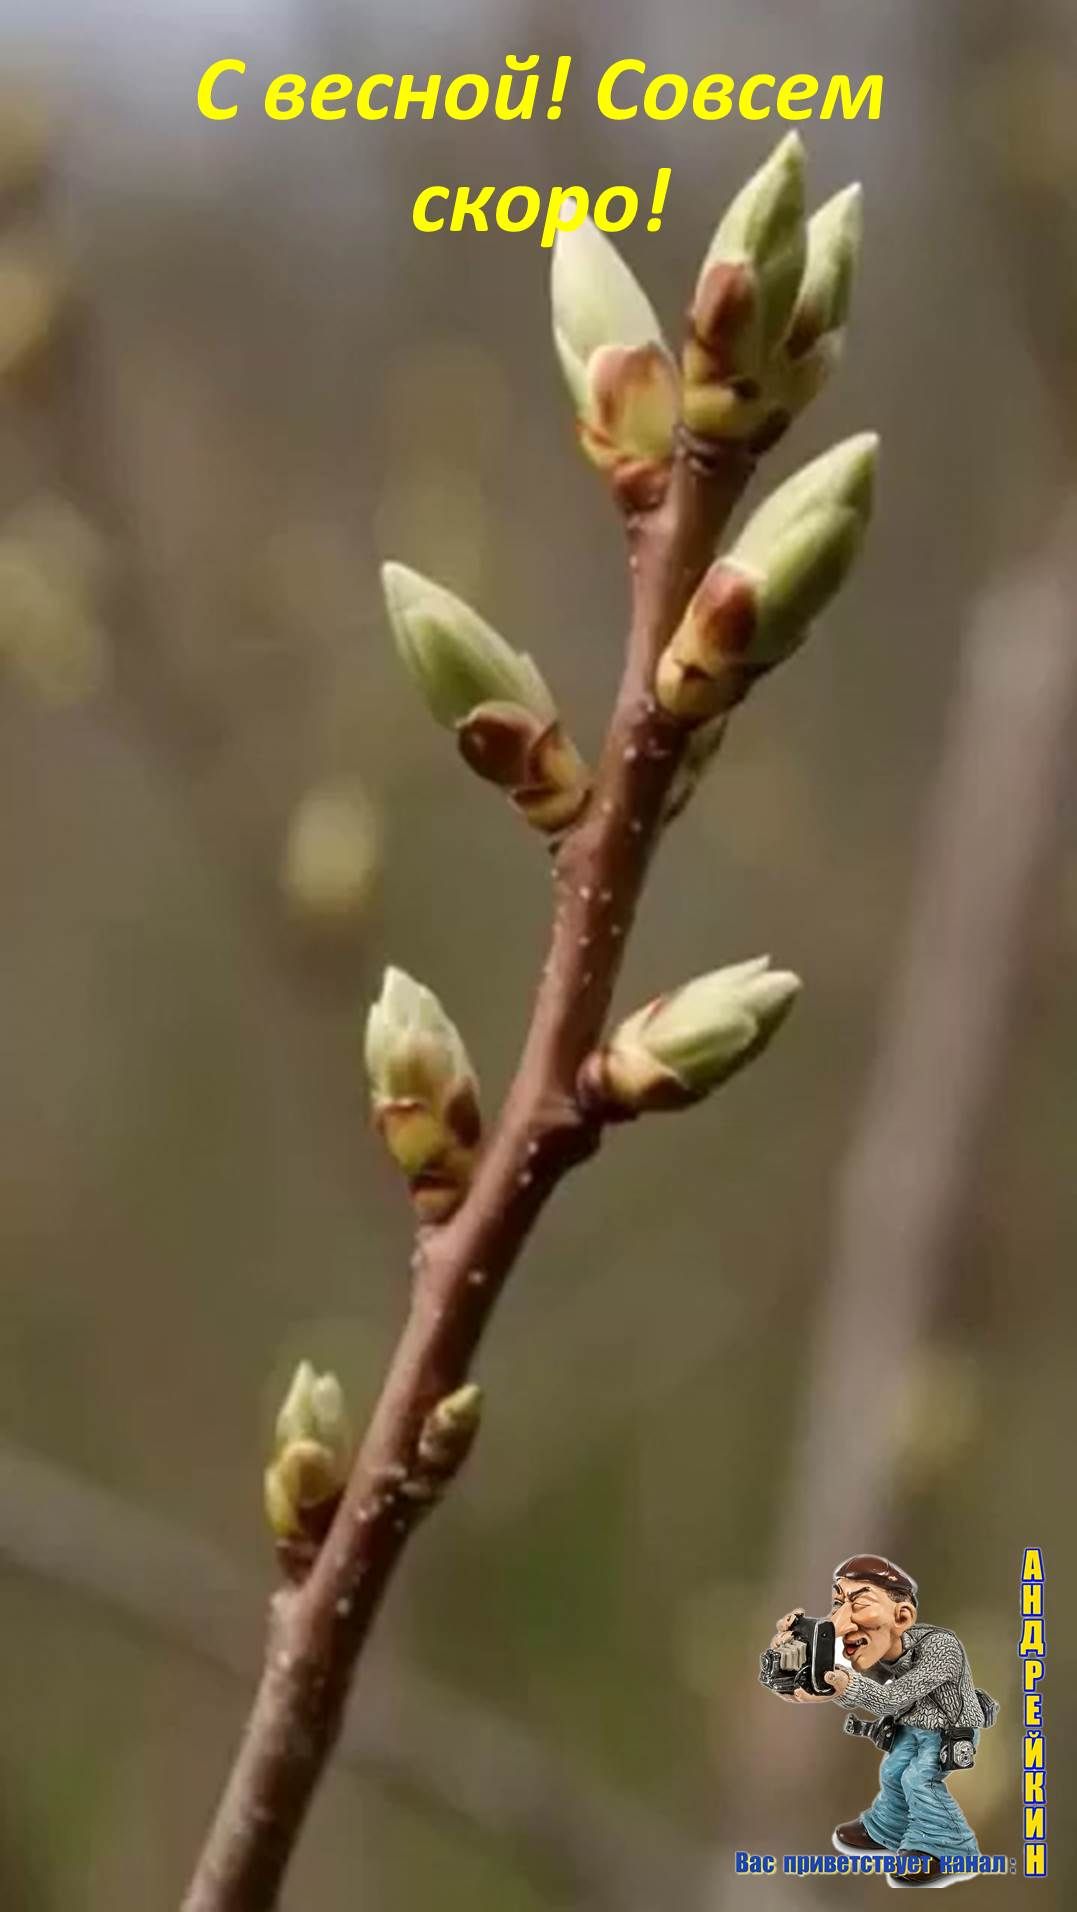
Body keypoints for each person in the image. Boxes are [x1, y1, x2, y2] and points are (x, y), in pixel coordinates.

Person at [768, 1554, 997, 1890]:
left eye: (859, 1604)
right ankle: (887, 1829)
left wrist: (841, 1687)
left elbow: (893, 1698)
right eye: (837, 1603)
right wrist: (796, 1647)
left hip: (949, 1730)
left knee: (919, 1778)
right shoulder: (881, 1651)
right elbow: (843, 1674)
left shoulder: (941, 1649)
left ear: (902, 1616)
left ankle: (950, 1848)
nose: (841, 1622)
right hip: (913, 1727)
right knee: (892, 1772)